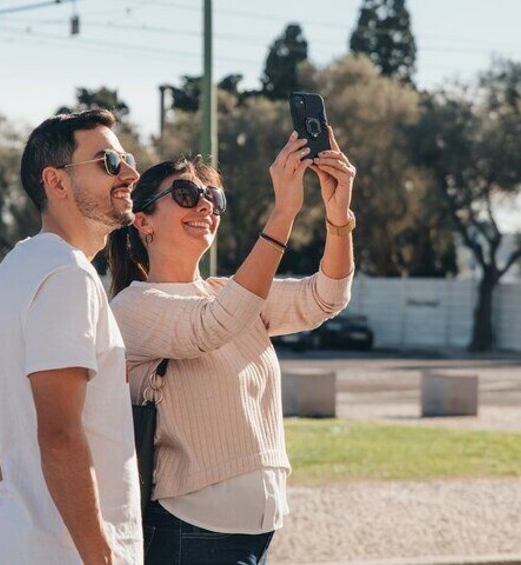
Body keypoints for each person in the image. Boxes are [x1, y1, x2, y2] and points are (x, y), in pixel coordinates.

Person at [107, 128, 356, 564]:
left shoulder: (228, 293)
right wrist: (284, 213)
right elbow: (213, 326)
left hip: (258, 529)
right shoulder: (133, 306)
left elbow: (326, 297)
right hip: (191, 529)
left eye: (213, 198)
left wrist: (339, 218)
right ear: (142, 221)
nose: (205, 205)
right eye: (185, 194)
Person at [0, 109, 143, 565]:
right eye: (109, 161)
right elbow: (60, 433)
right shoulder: (67, 275)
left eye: (126, 158)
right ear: (58, 182)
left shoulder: (15, 269)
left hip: (20, 542)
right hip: (64, 553)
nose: (130, 173)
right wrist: (101, 558)